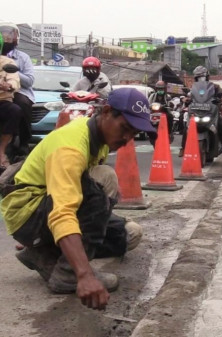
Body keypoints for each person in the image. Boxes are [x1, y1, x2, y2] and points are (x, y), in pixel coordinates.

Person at [1, 87, 156, 310]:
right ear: (106, 112)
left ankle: (41, 252)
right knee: (97, 193)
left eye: (133, 133)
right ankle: (67, 275)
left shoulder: (98, 137)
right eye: (125, 128)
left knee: (128, 235)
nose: (127, 138)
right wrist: (85, 274)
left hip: (44, 206)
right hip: (28, 211)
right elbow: (63, 211)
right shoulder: (70, 148)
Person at [178, 66, 222, 160]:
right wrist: (185, 98)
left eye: (202, 77)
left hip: (210, 112)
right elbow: (188, 95)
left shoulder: (214, 87)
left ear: (207, 77)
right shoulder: (193, 88)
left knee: (221, 127)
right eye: (198, 77)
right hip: (196, 111)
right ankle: (183, 148)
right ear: (195, 78)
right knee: (187, 126)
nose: (201, 79)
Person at [0, 22, 34, 160]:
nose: (7, 37)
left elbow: (30, 81)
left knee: (21, 103)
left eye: (10, 34)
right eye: (3, 34)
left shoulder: (22, 58)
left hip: (18, 92)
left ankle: (24, 141)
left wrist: (10, 75)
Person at [0, 33, 22, 171]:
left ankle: (1, 151)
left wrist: (8, 86)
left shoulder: (7, 63)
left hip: (2, 101)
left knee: (16, 110)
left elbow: (14, 81)